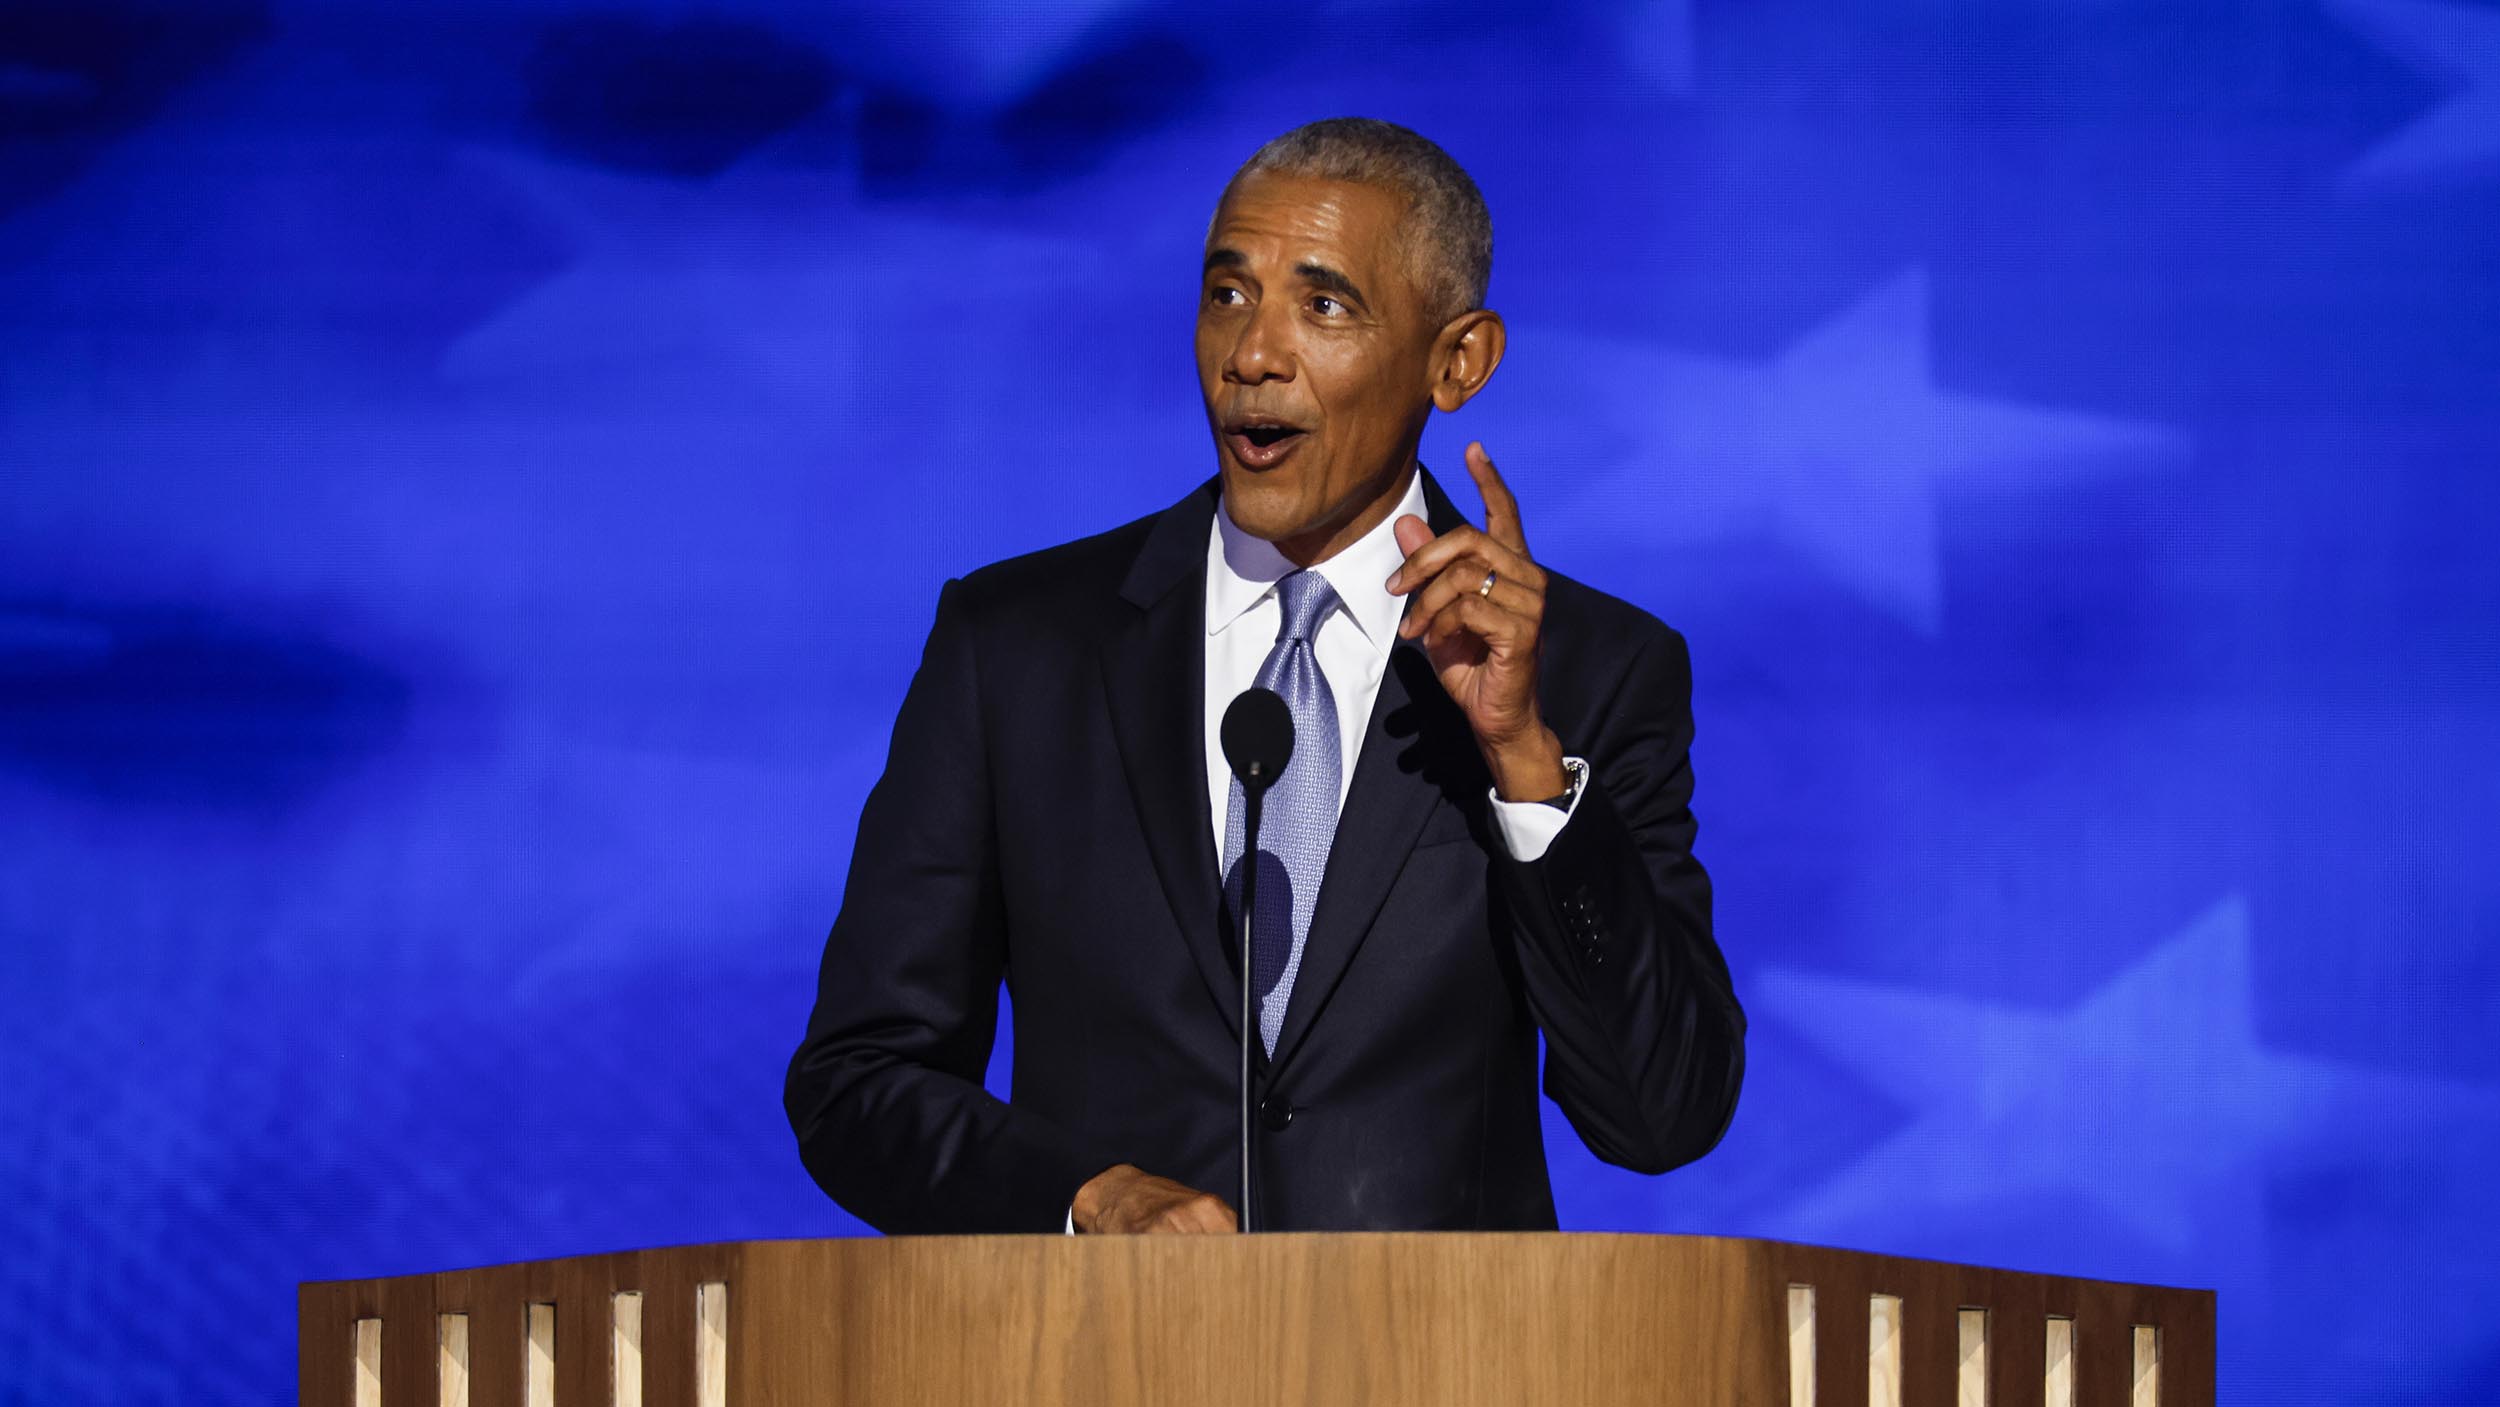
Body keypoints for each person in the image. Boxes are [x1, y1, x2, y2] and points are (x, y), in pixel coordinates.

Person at [784, 117, 1744, 1235]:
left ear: (1457, 362)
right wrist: (1079, 1199)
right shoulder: (1018, 647)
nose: (1252, 355)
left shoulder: (1594, 670)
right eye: (1228, 294)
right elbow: (857, 1082)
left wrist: (1525, 766)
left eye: (1324, 306)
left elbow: (1663, 1115)